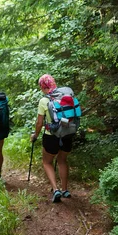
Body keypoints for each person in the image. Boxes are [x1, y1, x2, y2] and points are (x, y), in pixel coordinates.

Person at [31, 74, 73, 203]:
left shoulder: (44, 101)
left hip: (51, 136)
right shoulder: (66, 96)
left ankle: (56, 190)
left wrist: (35, 135)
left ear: (43, 87)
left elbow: (39, 123)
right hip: (68, 134)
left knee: (47, 162)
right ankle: (65, 190)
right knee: (62, 160)